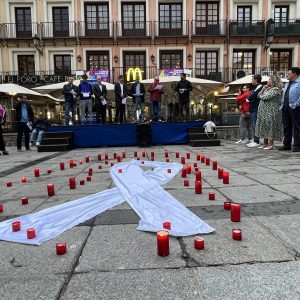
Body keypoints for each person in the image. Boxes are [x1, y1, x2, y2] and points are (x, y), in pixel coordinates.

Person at [255, 75, 283, 150]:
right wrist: (263, 89)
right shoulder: (268, 89)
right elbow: (258, 95)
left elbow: (265, 97)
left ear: (273, 81)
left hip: (271, 111)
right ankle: (265, 143)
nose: (268, 81)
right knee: (265, 126)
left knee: (270, 127)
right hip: (265, 111)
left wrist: (261, 95)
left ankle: (270, 144)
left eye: (270, 79)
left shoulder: (276, 89)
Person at [279, 67, 300, 152]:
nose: (287, 75)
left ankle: (297, 145)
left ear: (294, 74)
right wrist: (282, 105)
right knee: (286, 127)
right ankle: (286, 144)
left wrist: (295, 105)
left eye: (289, 73)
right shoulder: (288, 83)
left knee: (297, 127)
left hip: (296, 108)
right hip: (285, 108)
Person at [246, 74, 263, 148]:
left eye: (252, 79)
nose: (251, 81)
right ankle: (255, 140)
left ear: (256, 80)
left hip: (255, 108)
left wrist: (248, 98)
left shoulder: (259, 86)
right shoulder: (255, 87)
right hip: (253, 108)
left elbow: (253, 95)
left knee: (255, 125)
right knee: (254, 125)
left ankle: (256, 141)